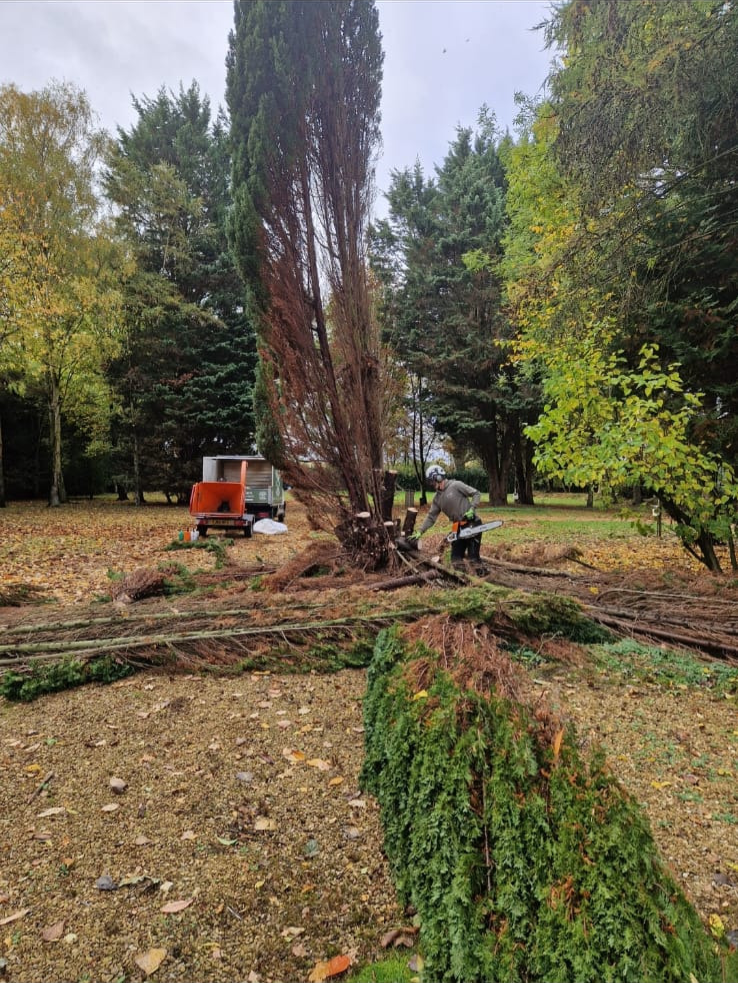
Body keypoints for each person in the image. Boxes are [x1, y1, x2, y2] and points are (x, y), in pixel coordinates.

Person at [409, 466, 484, 566]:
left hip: (472, 523)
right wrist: (420, 531)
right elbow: (431, 517)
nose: (432, 484)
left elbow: (476, 493)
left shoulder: (456, 485)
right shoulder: (437, 498)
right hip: (457, 527)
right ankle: (463, 579)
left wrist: (472, 508)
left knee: (473, 560)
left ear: (439, 478)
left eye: (432, 481)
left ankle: (484, 578)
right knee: (456, 560)